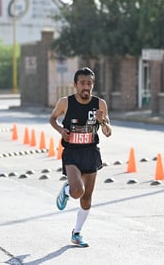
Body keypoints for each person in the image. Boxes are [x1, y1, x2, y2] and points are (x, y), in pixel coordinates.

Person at [49, 67, 112, 247]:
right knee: (78, 191)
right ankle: (67, 191)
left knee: (86, 198)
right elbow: (52, 119)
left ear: (93, 85)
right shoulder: (65, 102)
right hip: (72, 153)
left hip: (91, 153)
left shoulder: (100, 104)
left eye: (89, 83)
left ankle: (76, 233)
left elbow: (108, 132)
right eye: (83, 83)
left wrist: (103, 121)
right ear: (75, 85)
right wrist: (62, 131)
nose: (86, 87)